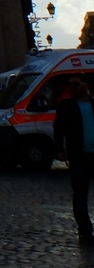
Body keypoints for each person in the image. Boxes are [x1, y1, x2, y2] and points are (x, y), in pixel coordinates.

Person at [54, 77, 94, 246]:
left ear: (86, 85)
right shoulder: (66, 106)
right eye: (71, 84)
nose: (73, 87)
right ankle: (85, 229)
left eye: (77, 84)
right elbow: (58, 128)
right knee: (80, 193)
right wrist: (59, 150)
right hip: (78, 155)